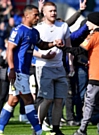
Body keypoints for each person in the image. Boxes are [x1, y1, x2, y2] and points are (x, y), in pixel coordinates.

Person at [0, 5, 63, 135]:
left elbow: (41, 45)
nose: (38, 17)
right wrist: (12, 69)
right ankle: (38, 131)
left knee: (13, 101)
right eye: (35, 15)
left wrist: (54, 43)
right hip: (18, 70)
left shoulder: (34, 32)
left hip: (24, 70)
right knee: (29, 100)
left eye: (38, 15)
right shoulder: (19, 30)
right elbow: (10, 49)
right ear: (27, 15)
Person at [57, 12, 99, 135]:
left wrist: (63, 48)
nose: (87, 24)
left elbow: (79, 50)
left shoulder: (94, 35)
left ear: (92, 22)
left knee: (88, 103)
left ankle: (82, 129)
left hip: (97, 74)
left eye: (88, 21)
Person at [33, 2, 73, 134]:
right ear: (43, 13)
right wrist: (44, 56)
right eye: (50, 11)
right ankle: (37, 127)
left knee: (59, 100)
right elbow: (30, 49)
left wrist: (70, 65)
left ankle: (56, 129)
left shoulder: (63, 26)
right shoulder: (38, 28)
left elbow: (68, 48)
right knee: (47, 99)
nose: (53, 13)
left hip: (59, 67)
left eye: (54, 11)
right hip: (43, 67)